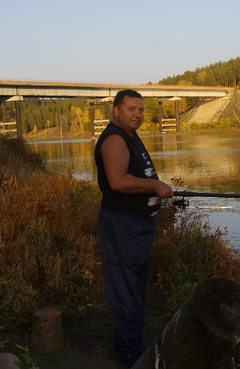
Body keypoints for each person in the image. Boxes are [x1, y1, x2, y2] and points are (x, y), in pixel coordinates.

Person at [94, 89, 173, 367]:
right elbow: (117, 181)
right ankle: (131, 356)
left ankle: (129, 346)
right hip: (123, 227)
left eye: (140, 110)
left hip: (135, 226)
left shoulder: (129, 135)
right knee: (126, 290)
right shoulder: (115, 139)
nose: (137, 114)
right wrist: (155, 185)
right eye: (131, 109)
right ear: (116, 110)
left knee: (133, 287)